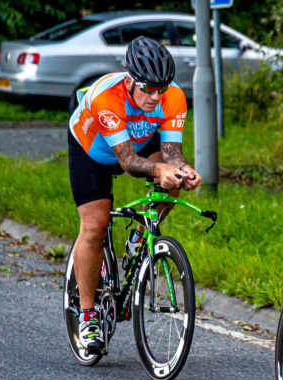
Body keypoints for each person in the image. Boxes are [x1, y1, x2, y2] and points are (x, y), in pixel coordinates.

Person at [67, 36, 201, 351]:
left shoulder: (173, 98)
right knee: (96, 226)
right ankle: (87, 315)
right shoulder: (106, 98)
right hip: (94, 152)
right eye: (148, 88)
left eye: (161, 88)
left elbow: (172, 154)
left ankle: (139, 239)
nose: (155, 96)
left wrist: (184, 171)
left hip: (141, 143)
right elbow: (127, 162)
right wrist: (160, 170)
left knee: (172, 186)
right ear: (129, 80)